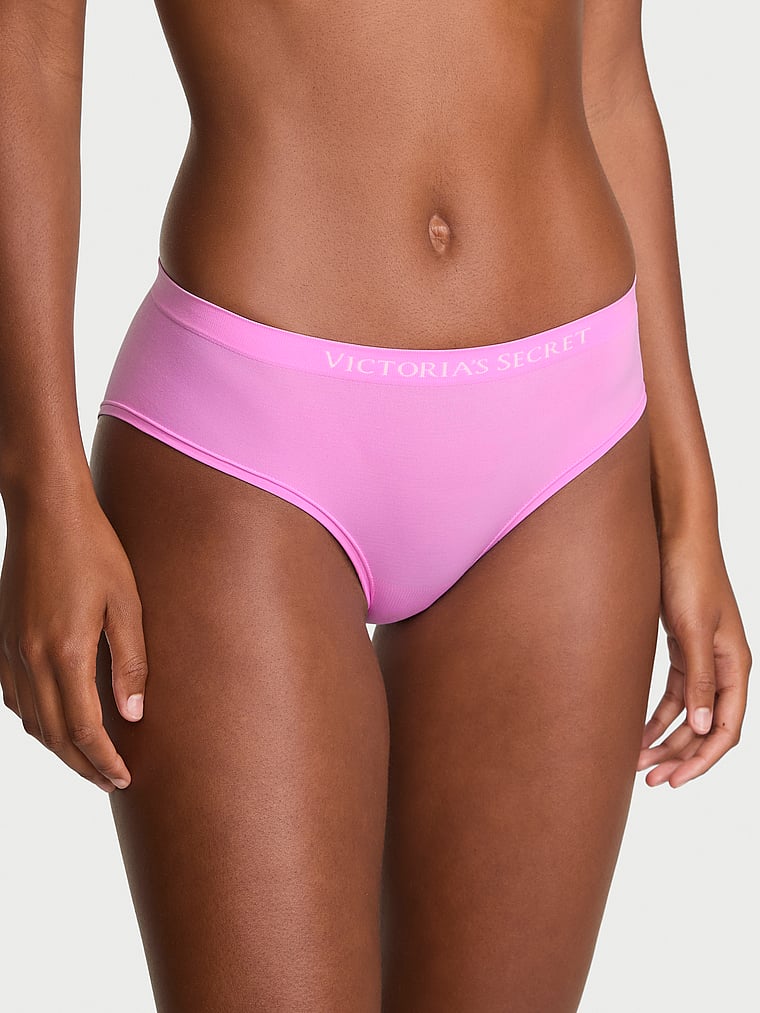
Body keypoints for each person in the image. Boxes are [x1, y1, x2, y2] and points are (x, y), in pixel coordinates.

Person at [0, 1, 752, 1010]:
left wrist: (691, 503)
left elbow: (611, 83)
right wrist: (39, 490)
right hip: (248, 432)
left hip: (567, 444)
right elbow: (26, 58)